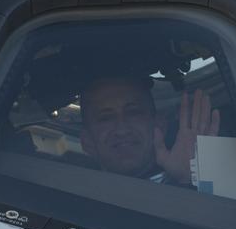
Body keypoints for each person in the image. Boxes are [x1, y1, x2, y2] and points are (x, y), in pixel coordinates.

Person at [78, 74, 220, 187]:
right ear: (87, 141)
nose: (122, 130)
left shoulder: (206, 186)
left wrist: (187, 179)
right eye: (106, 118)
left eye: (133, 112)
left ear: (160, 126)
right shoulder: (70, 203)